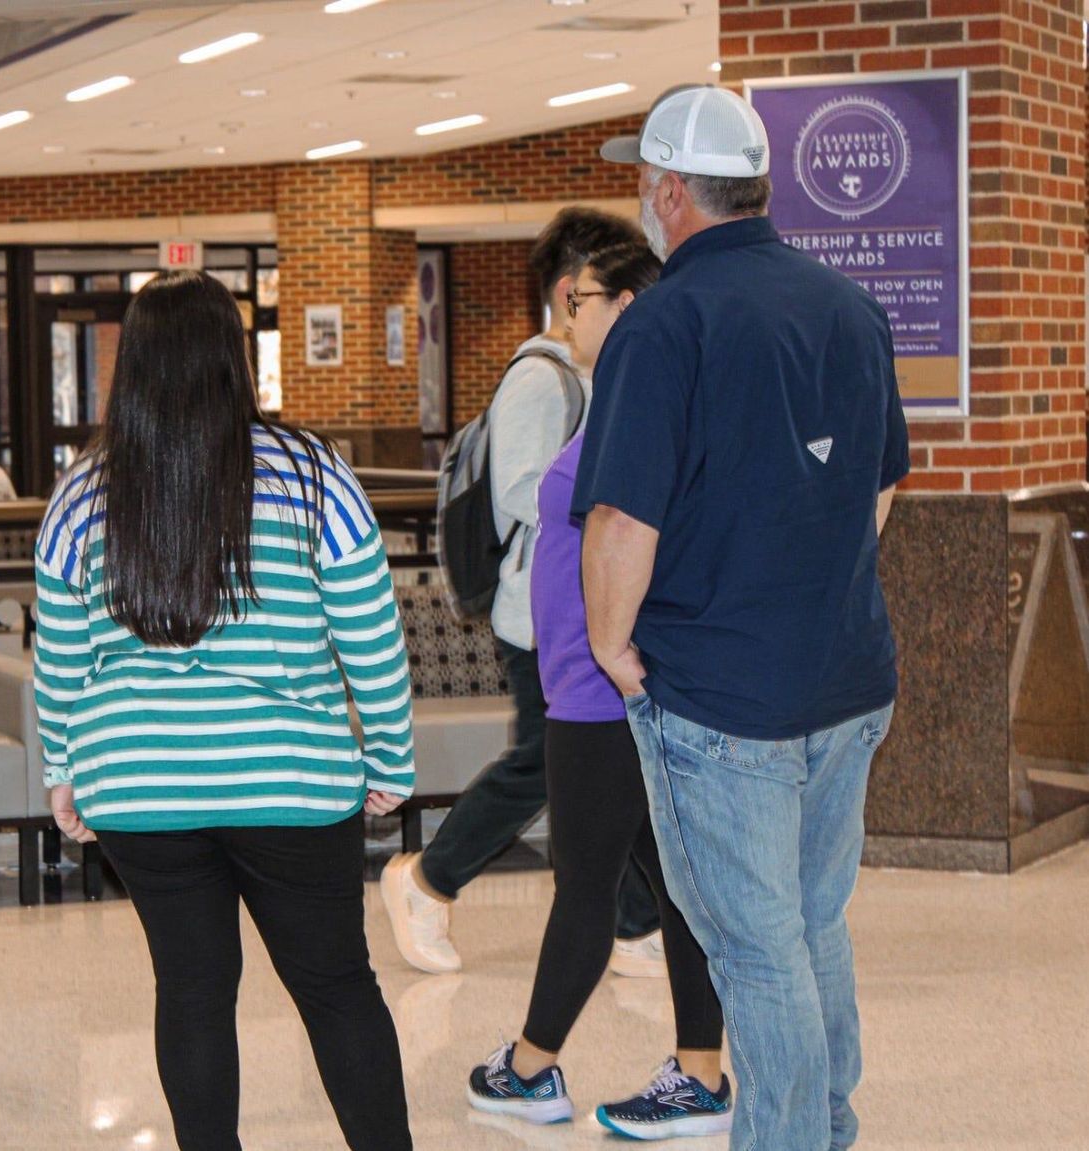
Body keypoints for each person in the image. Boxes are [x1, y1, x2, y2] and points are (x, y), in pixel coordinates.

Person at [574, 86, 909, 1151]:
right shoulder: (848, 307)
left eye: (643, 176)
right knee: (812, 924)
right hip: (847, 680)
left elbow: (623, 512)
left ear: (669, 190)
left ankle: (791, 1135)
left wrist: (610, 644)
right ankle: (829, 1119)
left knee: (756, 947)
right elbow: (879, 486)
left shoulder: (664, 321)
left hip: (724, 699)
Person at [33, 270, 416, 1151]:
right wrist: (391, 760)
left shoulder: (82, 496)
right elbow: (370, 635)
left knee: (193, 989)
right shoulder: (312, 476)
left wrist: (64, 773)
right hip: (291, 777)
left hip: (138, 788)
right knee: (335, 985)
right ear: (233, 360)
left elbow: (62, 662)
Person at [467, 242, 731, 1139]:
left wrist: (614, 658)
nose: (565, 313)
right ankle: (700, 1071)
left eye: (576, 298)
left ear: (622, 305)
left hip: (600, 688)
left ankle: (531, 1066)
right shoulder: (626, 401)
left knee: (583, 884)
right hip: (596, 684)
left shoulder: (642, 406)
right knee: (671, 887)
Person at [380, 207, 663, 977]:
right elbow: (522, 494)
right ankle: (428, 878)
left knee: (612, 763)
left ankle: (637, 923)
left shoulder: (590, 371)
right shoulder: (541, 377)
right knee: (547, 763)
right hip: (544, 619)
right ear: (574, 294)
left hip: (580, 609)